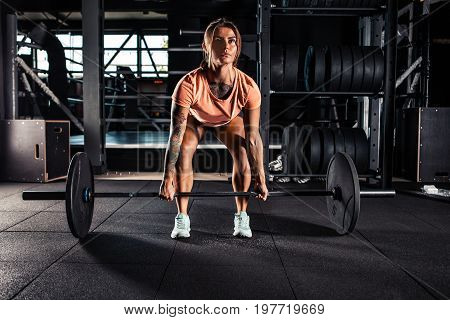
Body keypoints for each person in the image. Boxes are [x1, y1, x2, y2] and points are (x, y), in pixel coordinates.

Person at [159, 18, 268, 239]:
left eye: (231, 41)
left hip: (227, 120)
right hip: (195, 117)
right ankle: (182, 218)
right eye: (218, 41)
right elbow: (176, 136)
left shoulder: (248, 87)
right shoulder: (188, 84)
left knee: (243, 152)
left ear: (237, 48)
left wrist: (261, 178)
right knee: (185, 151)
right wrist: (167, 177)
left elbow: (253, 136)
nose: (225, 46)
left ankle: (242, 216)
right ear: (206, 46)